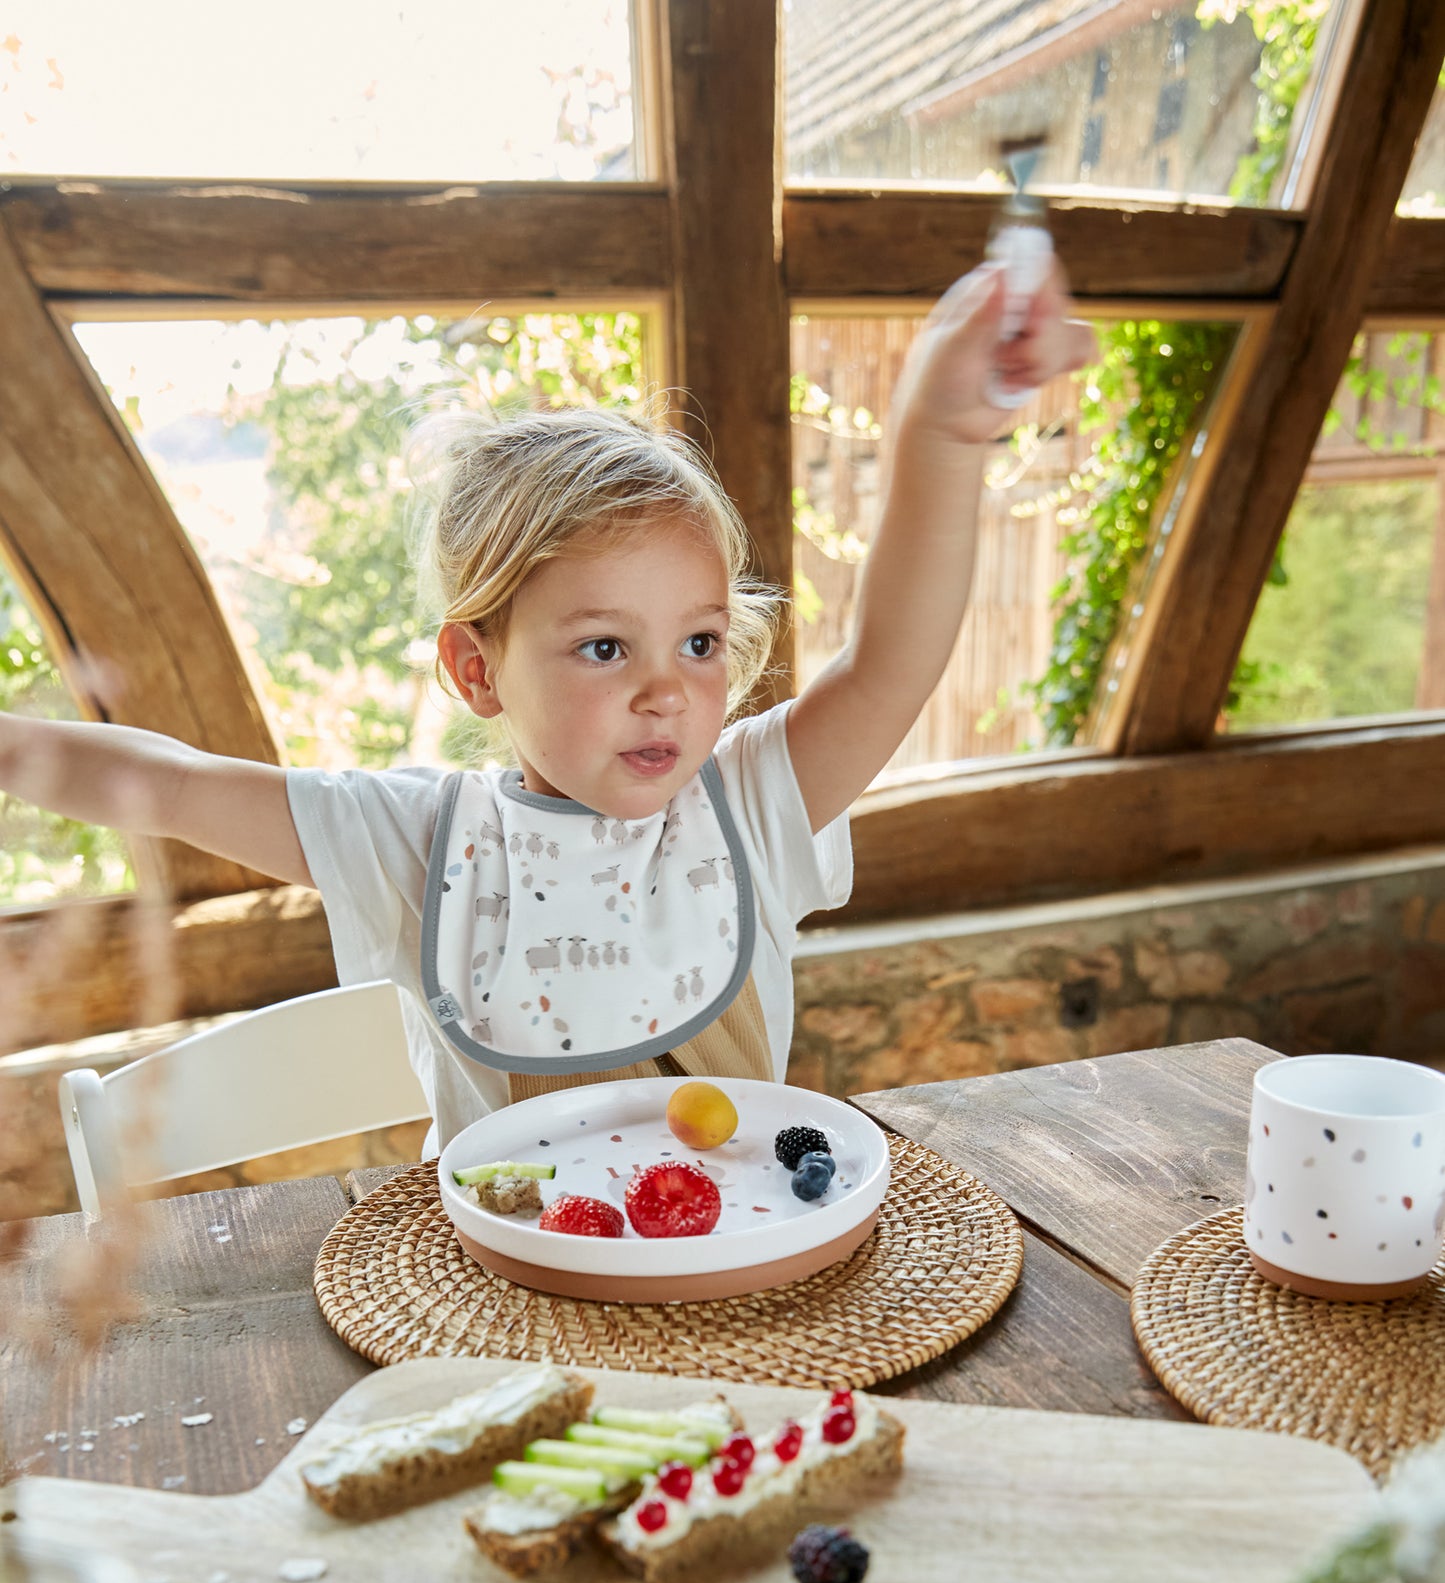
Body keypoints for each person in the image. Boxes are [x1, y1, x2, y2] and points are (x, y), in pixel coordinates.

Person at [0, 265, 1090, 1146]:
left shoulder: (749, 804)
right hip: (500, 1291)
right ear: (478, 672)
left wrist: (942, 437)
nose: (666, 688)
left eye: (699, 642)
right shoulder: (417, 843)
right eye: (604, 645)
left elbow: (892, 660)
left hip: (728, 1270)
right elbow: (173, 783)